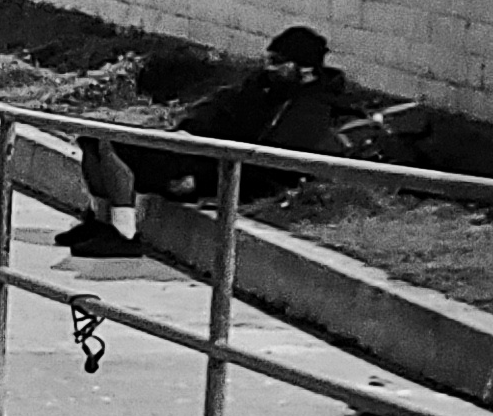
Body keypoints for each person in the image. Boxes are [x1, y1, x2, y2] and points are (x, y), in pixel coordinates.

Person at [60, 26, 349, 257]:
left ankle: (124, 234)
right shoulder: (263, 88)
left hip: (218, 169)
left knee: (117, 147)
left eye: (277, 63)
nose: (269, 68)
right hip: (202, 152)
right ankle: (100, 221)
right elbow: (220, 109)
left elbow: (269, 165)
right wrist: (187, 130)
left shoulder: (311, 109)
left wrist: (200, 181)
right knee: (93, 139)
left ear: (305, 70)